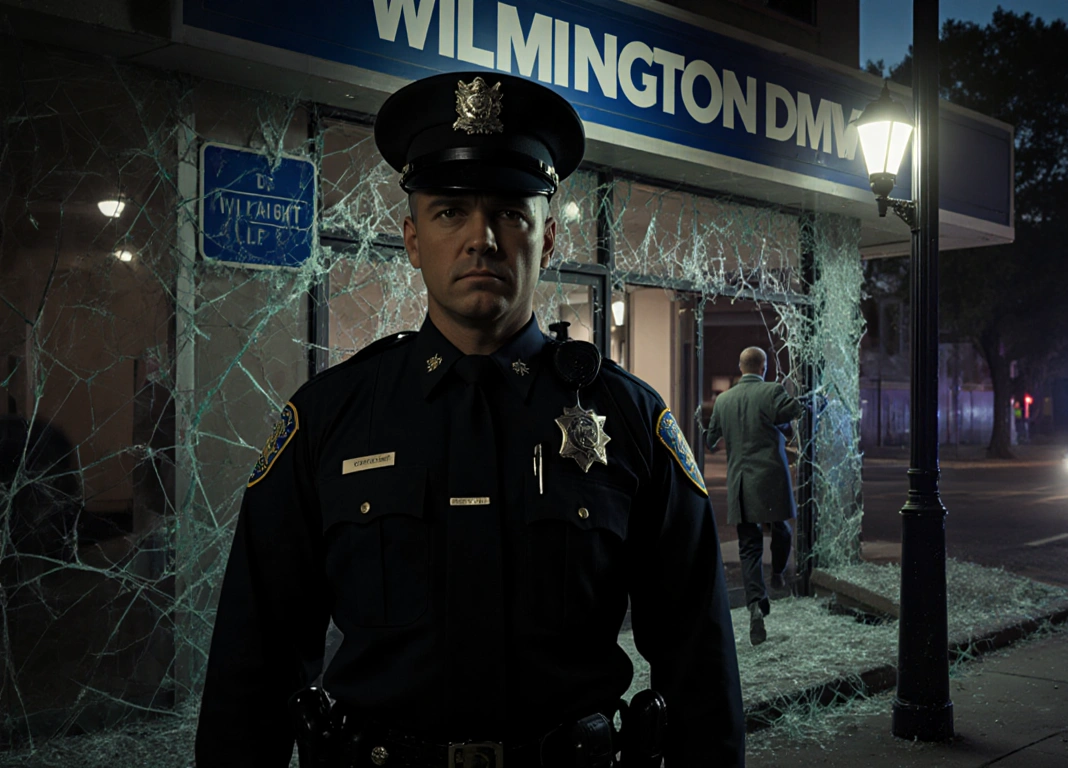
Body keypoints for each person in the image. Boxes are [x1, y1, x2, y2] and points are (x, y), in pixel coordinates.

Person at [195, 71, 744, 767]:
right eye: (450, 210)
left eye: (511, 212)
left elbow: (700, 669)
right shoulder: (329, 421)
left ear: (547, 241)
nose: (481, 237)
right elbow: (255, 664)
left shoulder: (629, 420)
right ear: (412, 238)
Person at [705, 347, 804, 646]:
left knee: (749, 548)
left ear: (740, 365)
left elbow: (711, 441)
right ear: (764, 367)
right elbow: (794, 411)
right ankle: (776, 573)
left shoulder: (723, 400)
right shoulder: (772, 391)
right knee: (781, 529)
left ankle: (754, 608)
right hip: (771, 480)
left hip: (740, 483)